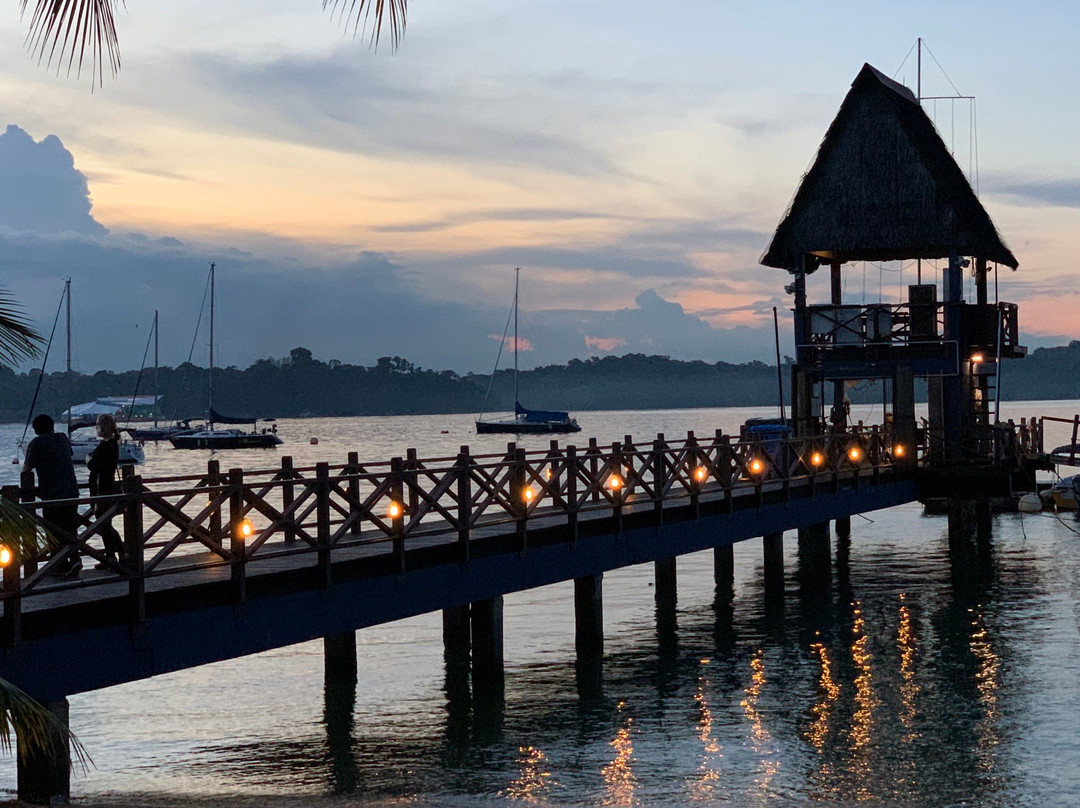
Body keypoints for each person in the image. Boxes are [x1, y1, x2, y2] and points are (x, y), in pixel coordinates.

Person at [22, 413, 81, 576]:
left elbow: (27, 468)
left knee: (53, 530)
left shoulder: (37, 443)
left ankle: (59, 564)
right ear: (52, 426)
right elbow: (69, 455)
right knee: (70, 528)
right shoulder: (62, 438)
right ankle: (75, 559)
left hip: (52, 493)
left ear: (36, 430)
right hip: (71, 490)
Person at [87, 413, 125, 569]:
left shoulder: (105, 446)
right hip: (109, 486)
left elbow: (94, 465)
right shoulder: (114, 444)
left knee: (104, 524)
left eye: (97, 426)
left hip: (102, 488)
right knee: (106, 523)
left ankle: (112, 556)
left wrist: (88, 460)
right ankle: (121, 553)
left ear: (102, 427)